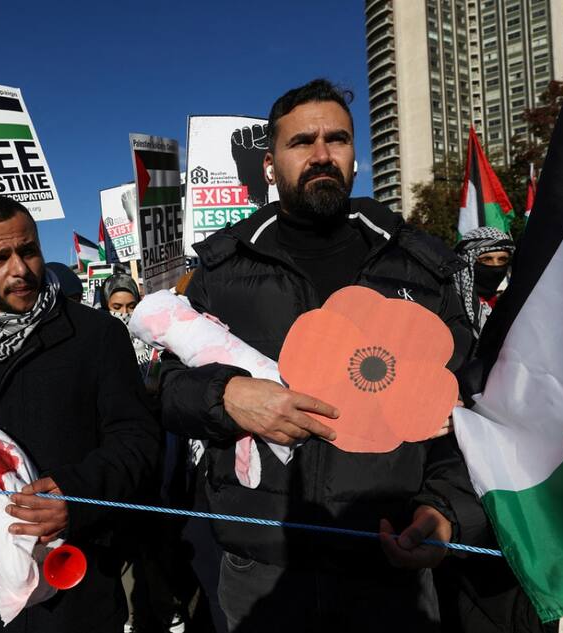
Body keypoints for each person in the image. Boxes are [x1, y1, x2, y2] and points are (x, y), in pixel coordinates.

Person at [158, 79, 486, 632]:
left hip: (392, 565)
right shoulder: (222, 269)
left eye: (336, 139)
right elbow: (163, 387)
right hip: (262, 570)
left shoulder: (421, 267)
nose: (320, 154)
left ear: (355, 155)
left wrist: (446, 509)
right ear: (270, 165)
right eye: (301, 142)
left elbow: (471, 409)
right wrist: (226, 396)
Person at [0, 195, 161, 633]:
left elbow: (139, 442)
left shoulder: (96, 334)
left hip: (72, 581)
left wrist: (76, 495)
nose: (19, 269)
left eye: (28, 251)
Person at [454, 227, 516, 338]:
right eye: (487, 259)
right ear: (468, 261)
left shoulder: (506, 305)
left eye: (502, 259)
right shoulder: (451, 303)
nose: (496, 266)